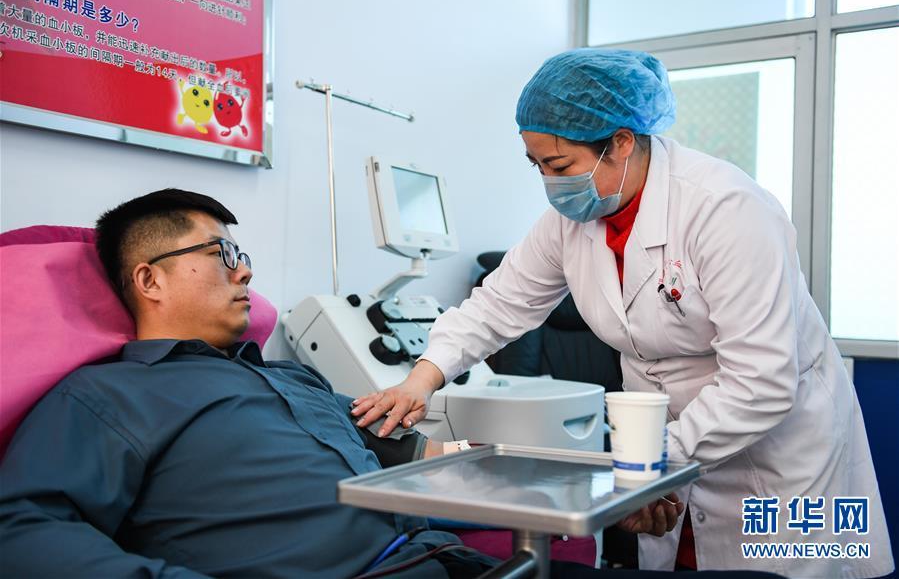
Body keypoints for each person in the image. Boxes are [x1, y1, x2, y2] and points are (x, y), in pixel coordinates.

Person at [0, 189, 780, 579]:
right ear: (149, 278)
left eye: (243, 254)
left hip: (452, 562)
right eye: (221, 252)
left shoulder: (290, 381)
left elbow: (426, 457)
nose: (244, 271)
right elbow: (22, 526)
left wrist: (600, 488)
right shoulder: (109, 399)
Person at [351, 49, 894, 578]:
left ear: (622, 143)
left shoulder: (726, 209)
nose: (549, 183)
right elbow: (498, 304)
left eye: (559, 165)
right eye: (537, 165)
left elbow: (762, 381)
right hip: (664, 445)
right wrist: (423, 378)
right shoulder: (571, 221)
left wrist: (647, 463)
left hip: (771, 452)